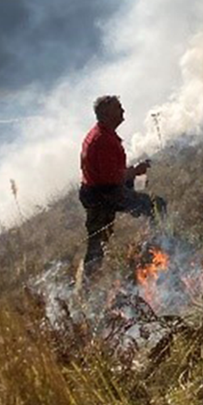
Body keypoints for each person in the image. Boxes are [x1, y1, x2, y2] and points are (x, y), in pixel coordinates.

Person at [78, 95, 167, 279]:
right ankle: (160, 246)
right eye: (118, 108)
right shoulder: (103, 140)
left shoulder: (100, 134)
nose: (123, 111)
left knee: (97, 243)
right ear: (107, 114)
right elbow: (111, 178)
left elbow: (106, 170)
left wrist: (132, 174)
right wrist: (135, 171)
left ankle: (88, 281)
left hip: (98, 192)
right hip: (104, 194)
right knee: (156, 205)